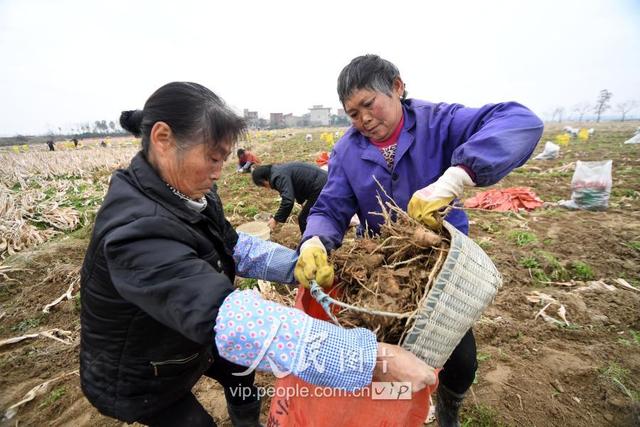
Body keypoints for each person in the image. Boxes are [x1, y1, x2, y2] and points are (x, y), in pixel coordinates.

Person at [80, 81, 436, 427]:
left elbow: (234, 247)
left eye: (223, 158)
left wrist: (298, 265)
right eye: (212, 158)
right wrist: (372, 358)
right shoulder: (135, 231)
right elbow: (226, 316)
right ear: (162, 139)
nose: (219, 172)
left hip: (190, 338)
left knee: (240, 373)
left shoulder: (191, 193)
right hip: (142, 368)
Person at [294, 55, 544, 427]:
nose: (363, 119)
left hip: (441, 264)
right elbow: (331, 208)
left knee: (460, 359)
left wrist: (457, 177)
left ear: (396, 87)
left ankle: (449, 408)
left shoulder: (438, 122)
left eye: (369, 104)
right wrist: (314, 240)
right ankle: (390, 413)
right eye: (352, 113)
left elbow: (521, 122)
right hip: (382, 268)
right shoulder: (347, 150)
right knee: (384, 353)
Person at [251, 162, 327, 233]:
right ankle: (318, 234)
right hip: (321, 182)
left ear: (264, 180)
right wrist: (301, 202)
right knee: (311, 214)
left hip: (321, 186)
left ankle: (309, 243)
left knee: (303, 219)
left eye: (263, 185)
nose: (266, 188)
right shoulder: (278, 171)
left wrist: (275, 219)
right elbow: (296, 187)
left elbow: (288, 200)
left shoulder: (279, 177)